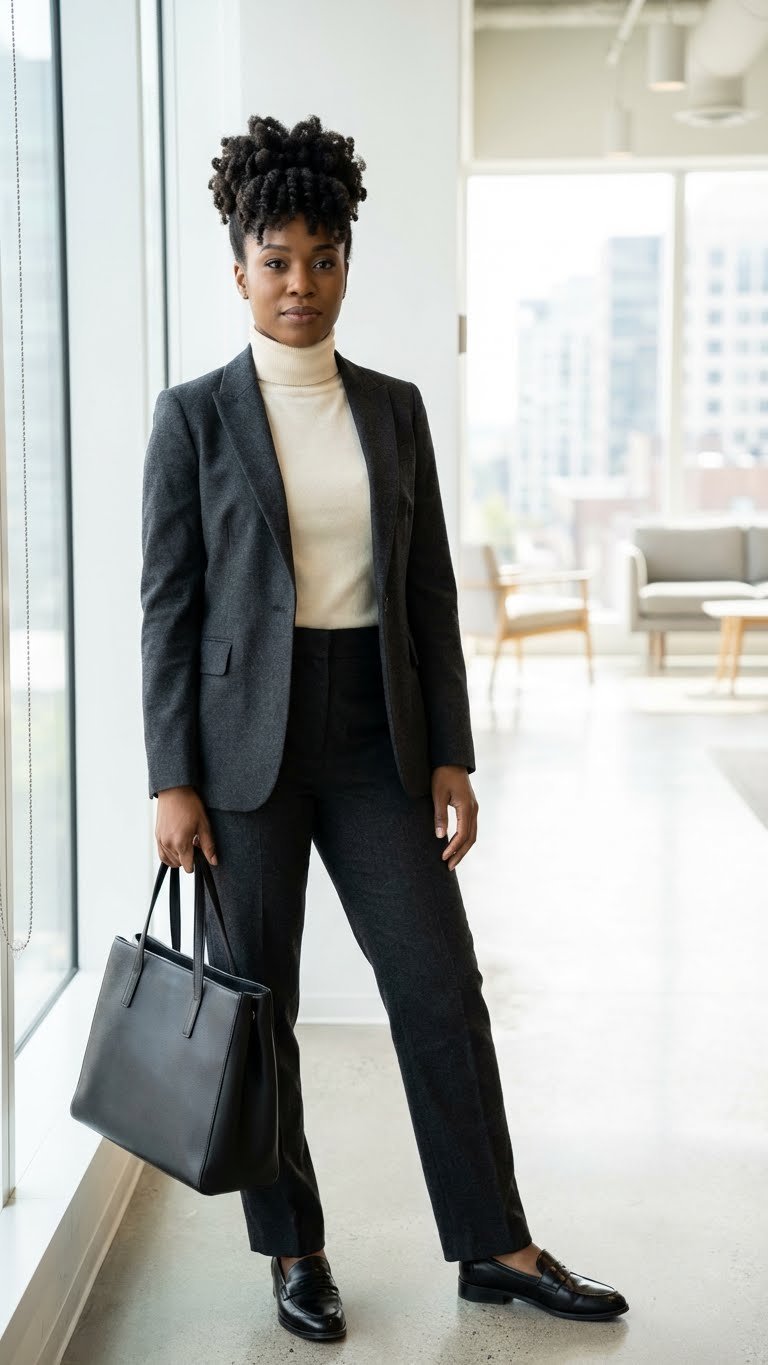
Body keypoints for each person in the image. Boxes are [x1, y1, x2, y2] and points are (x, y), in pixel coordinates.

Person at [140, 112, 629, 1344]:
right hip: (244, 753)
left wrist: (453, 753)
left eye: (322, 255)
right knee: (263, 1004)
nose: (299, 283)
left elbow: (428, 593)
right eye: (275, 259)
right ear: (238, 266)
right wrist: (171, 779)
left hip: (377, 736)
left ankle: (495, 1245)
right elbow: (167, 608)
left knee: (437, 987)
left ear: (348, 258)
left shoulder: (395, 411)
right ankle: (293, 1250)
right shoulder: (192, 418)